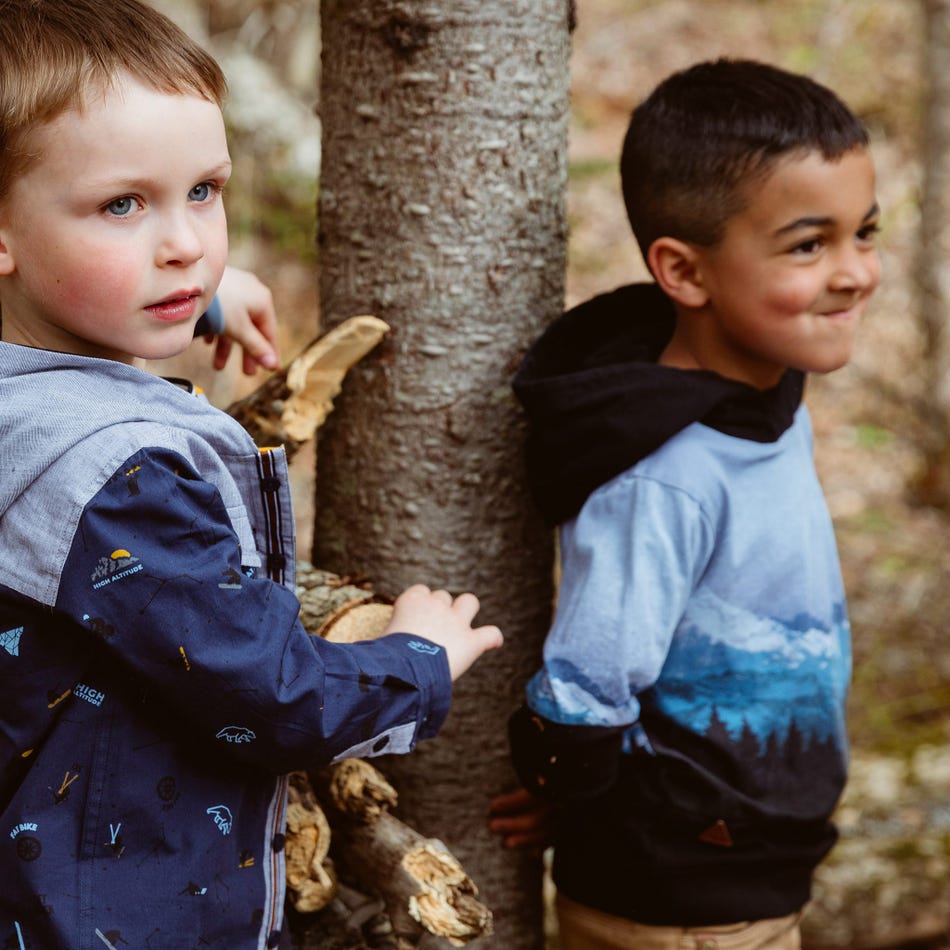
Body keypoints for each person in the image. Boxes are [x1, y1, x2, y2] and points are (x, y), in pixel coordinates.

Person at [0, 2, 503, 948]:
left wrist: (197, 304)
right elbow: (274, 698)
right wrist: (417, 660)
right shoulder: (126, 485)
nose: (186, 243)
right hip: (127, 917)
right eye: (123, 204)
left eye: (204, 191)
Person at [492, 58, 880, 949]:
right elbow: (586, 691)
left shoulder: (768, 393)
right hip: (678, 903)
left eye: (866, 231)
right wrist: (572, 793)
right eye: (809, 245)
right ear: (685, 272)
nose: (856, 271)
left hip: (754, 864)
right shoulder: (660, 477)